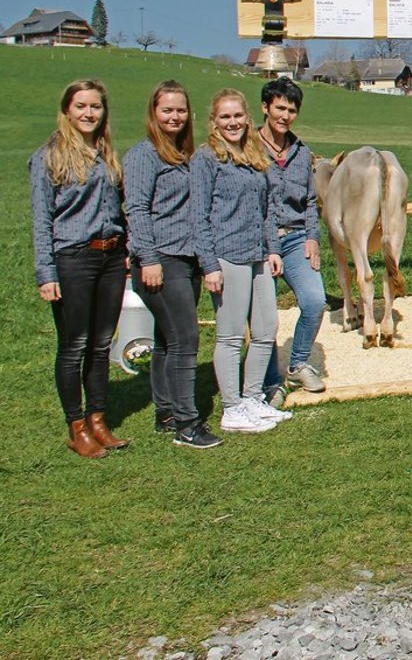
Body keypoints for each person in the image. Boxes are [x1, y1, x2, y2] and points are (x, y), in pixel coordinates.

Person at [29, 79, 130, 458]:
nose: (89, 113)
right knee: (75, 345)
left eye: (96, 107)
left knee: (102, 344)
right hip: (73, 258)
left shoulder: (105, 155)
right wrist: (46, 272)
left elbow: (118, 208)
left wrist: (126, 249)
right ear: (67, 110)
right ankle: (76, 426)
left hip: (110, 257)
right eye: (81, 106)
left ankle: (98, 418)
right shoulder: (49, 157)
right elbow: (41, 220)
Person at [124, 81, 221, 449]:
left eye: (180, 110)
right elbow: (136, 209)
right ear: (153, 113)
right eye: (167, 110)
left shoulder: (185, 155)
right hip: (161, 259)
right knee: (186, 339)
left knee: (166, 340)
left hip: (186, 259)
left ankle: (165, 412)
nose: (175, 117)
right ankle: (187, 423)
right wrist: (148, 259)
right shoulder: (144, 156)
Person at [191, 89, 291, 434]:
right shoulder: (206, 159)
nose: (232, 123)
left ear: (248, 118)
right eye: (225, 117)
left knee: (266, 331)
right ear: (214, 122)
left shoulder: (253, 156)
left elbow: (266, 211)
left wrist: (273, 249)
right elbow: (199, 216)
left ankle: (252, 399)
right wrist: (209, 264)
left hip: (259, 256)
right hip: (227, 256)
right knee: (231, 336)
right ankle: (232, 407)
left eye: (238, 116)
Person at [255, 77, 328, 404]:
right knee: (265, 314)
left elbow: (310, 201)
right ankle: (271, 381)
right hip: (259, 242)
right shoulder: (249, 149)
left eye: (292, 110)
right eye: (280, 108)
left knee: (315, 301)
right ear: (265, 108)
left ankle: (298, 362)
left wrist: (312, 236)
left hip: (297, 237)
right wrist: (269, 246)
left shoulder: (301, 152)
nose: (285, 115)